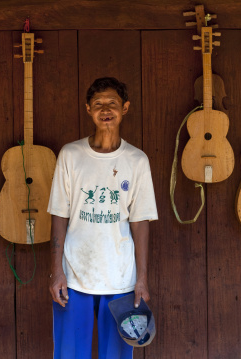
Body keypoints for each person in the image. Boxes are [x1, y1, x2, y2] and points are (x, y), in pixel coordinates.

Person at [48, 77, 158, 359]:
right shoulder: (71, 155)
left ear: (125, 108)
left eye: (112, 103)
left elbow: (140, 222)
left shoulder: (136, 160)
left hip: (121, 280)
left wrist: (141, 279)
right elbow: (59, 215)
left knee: (118, 356)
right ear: (88, 109)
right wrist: (57, 272)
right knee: (70, 354)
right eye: (98, 103)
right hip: (74, 279)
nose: (105, 109)